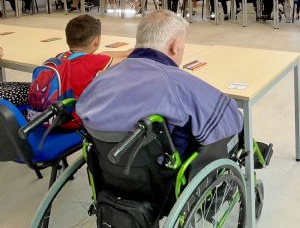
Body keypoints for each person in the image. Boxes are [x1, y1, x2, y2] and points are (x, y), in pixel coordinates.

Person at [76, 10, 243, 159]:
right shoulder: (179, 84)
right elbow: (229, 120)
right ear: (175, 45)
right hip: (166, 177)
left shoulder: (102, 78)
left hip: (110, 171)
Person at [0, 15, 129, 119]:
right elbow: (123, 61)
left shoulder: (61, 57)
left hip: (48, 113)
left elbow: (101, 55)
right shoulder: (95, 62)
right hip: (69, 120)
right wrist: (132, 52)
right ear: (97, 41)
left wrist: (126, 50)